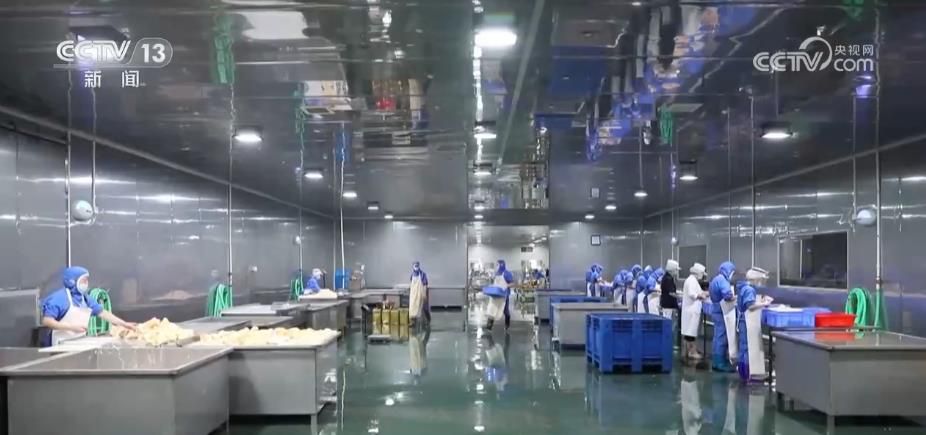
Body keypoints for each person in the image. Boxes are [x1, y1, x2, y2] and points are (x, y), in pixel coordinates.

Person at [41, 266, 135, 346]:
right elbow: (47, 321)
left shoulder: (85, 298)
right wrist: (71, 327)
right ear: (72, 281)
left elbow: (102, 313)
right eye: (83, 281)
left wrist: (124, 324)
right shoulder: (59, 299)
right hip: (59, 344)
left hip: (78, 341)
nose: (86, 283)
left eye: (86, 280)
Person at [736, 267, 773, 382]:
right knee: (748, 348)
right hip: (747, 322)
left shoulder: (745, 287)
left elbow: (749, 302)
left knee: (744, 347)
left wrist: (760, 301)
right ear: (756, 279)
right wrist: (764, 303)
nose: (761, 283)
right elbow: (750, 306)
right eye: (761, 280)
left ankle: (744, 373)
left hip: (744, 321)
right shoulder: (749, 290)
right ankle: (749, 374)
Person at [709, 261, 737, 372]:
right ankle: (720, 362)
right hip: (722, 312)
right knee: (722, 337)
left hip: (716, 311)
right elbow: (727, 296)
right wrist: (737, 297)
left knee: (717, 336)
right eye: (732, 272)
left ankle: (716, 360)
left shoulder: (715, 279)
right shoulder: (722, 281)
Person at [681, 263, 709, 360]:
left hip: (691, 310)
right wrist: (702, 296)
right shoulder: (691, 281)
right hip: (691, 311)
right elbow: (692, 294)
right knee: (690, 333)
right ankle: (691, 352)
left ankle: (689, 351)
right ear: (698, 273)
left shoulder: (693, 280)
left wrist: (707, 293)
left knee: (690, 332)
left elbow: (699, 291)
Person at [484, 260, 514, 331]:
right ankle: (489, 325)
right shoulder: (496, 273)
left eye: (497, 265)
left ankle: (507, 324)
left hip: (504, 295)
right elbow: (495, 282)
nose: (496, 266)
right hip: (495, 294)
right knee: (492, 308)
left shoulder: (507, 273)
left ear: (501, 265)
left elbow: (512, 283)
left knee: (505, 311)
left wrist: (506, 286)